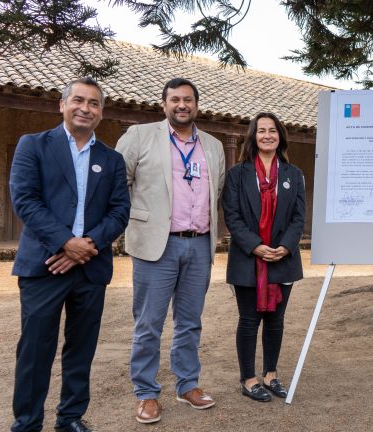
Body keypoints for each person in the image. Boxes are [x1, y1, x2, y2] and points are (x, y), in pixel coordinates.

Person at [9, 78, 130, 432]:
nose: (85, 108)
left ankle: (71, 417)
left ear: (101, 112)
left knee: (81, 349)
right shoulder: (33, 146)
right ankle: (27, 422)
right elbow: (26, 200)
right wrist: (65, 242)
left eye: (94, 103)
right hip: (44, 265)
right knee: (35, 349)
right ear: (61, 105)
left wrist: (86, 246)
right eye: (78, 100)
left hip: (90, 268)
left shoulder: (112, 159)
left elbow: (120, 211)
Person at [115, 78, 226, 424]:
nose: (182, 105)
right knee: (149, 323)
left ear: (197, 104)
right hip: (156, 246)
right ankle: (146, 393)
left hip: (198, 244)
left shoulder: (213, 145)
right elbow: (120, 185)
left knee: (190, 322)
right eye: (175, 99)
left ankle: (187, 384)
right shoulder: (139, 136)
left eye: (188, 99)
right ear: (164, 104)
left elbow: (216, 189)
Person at [222, 112, 305, 402]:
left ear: (280, 135)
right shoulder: (237, 174)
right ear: (252, 137)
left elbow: (298, 216)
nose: (267, 135)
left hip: (283, 258)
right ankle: (248, 378)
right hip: (248, 258)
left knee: (276, 321)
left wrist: (285, 246)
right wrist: (255, 245)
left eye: (272, 130)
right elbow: (231, 216)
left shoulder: (293, 175)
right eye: (261, 131)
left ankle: (270, 374)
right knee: (248, 320)